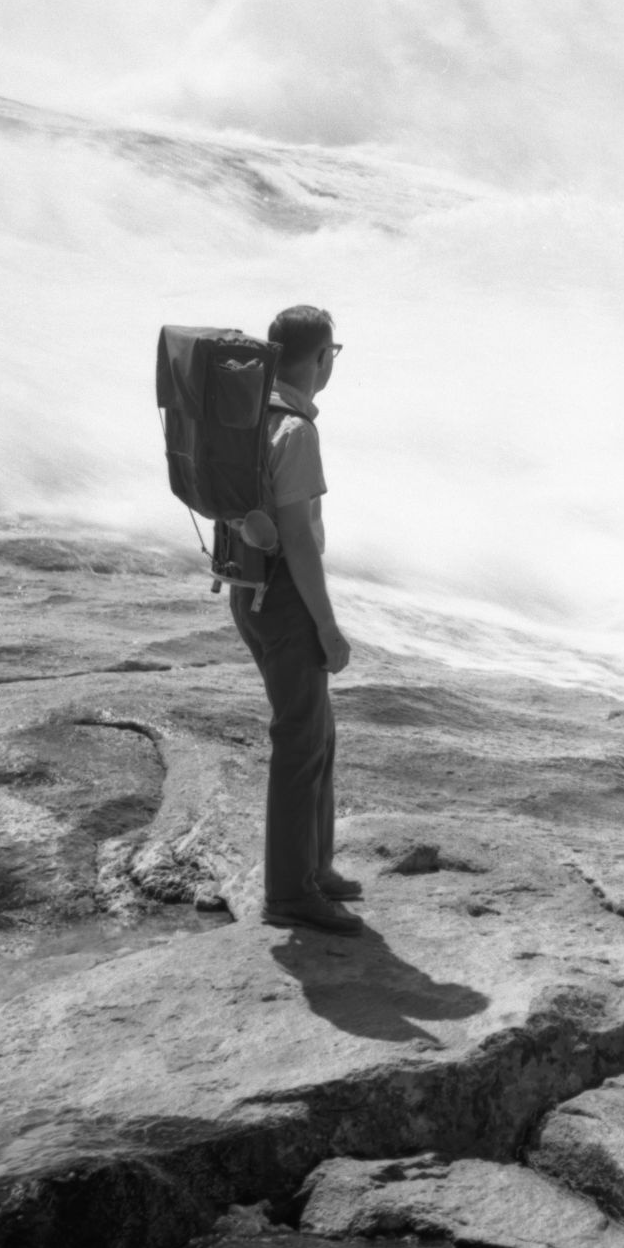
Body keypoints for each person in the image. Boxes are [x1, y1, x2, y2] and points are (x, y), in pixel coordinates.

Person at [230, 304, 363, 935]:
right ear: (319, 359)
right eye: (332, 355)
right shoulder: (298, 430)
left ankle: (316, 868)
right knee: (300, 743)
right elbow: (300, 542)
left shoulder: (249, 411)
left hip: (247, 591)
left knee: (317, 735)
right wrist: (329, 629)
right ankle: (289, 892)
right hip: (284, 598)